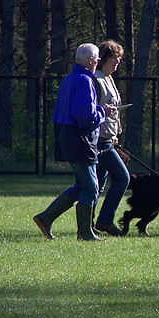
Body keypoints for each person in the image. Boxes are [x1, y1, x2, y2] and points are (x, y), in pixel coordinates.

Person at [33, 43, 115, 241]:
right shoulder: (85, 81)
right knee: (91, 187)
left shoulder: (69, 79)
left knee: (81, 185)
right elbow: (84, 117)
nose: (97, 63)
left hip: (66, 135)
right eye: (96, 60)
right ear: (89, 61)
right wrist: (103, 112)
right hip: (79, 139)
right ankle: (85, 233)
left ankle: (46, 218)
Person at [93, 40, 130, 236]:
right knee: (122, 177)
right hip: (99, 141)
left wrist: (116, 133)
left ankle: (89, 223)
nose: (117, 62)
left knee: (97, 184)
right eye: (115, 57)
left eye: (119, 58)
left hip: (109, 139)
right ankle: (104, 221)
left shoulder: (109, 79)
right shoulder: (97, 80)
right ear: (104, 58)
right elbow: (94, 112)